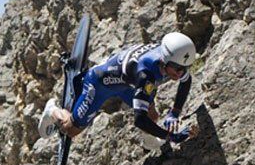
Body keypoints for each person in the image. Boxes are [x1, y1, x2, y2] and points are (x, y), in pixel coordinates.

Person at [38, 32, 199, 144]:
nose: (180, 73)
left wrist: (174, 113)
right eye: (178, 69)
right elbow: (139, 120)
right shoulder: (146, 75)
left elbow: (186, 80)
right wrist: (171, 136)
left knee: (152, 115)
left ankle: (149, 144)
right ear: (165, 60)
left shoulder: (171, 57)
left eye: (184, 68)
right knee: (70, 130)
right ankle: (52, 110)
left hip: (127, 80)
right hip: (99, 83)